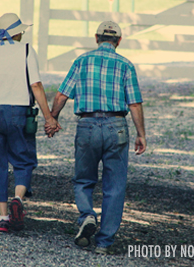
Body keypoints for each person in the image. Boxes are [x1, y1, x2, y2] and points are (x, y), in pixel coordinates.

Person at [48, 21, 146, 254]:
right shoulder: (126, 65)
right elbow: (134, 103)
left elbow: (62, 95)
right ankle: (104, 243)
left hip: (88, 125)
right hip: (116, 126)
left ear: (96, 38)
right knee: (115, 186)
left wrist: (52, 118)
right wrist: (141, 134)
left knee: (83, 179)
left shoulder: (81, 61)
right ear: (119, 41)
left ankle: (87, 216)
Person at [0, 13, 59, 233]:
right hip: (18, 112)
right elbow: (36, 85)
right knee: (23, 159)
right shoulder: (26, 50)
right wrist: (48, 117)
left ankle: (4, 216)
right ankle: (18, 198)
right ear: (17, 32)